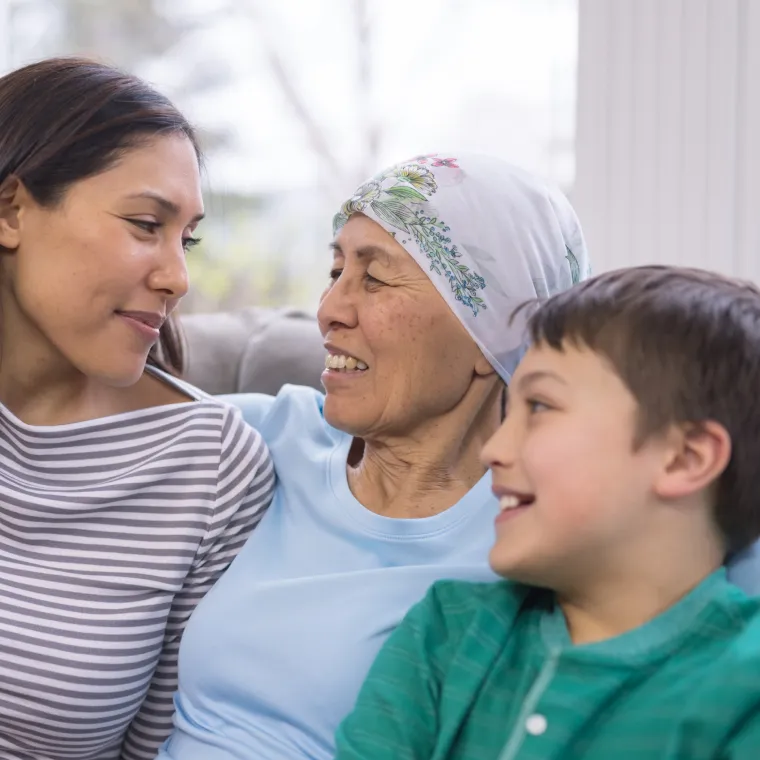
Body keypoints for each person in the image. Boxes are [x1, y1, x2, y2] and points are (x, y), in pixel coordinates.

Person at [158, 153, 590, 760]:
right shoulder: (262, 438)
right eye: (335, 270)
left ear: (487, 334)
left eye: (375, 278)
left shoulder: (532, 543)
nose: (330, 309)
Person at [335, 266, 760, 760]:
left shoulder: (745, 685)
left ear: (686, 458)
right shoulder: (446, 634)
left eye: (539, 407)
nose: (495, 448)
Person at [0, 58, 274, 760]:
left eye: (188, 239)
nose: (178, 277)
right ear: (11, 209)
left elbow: (163, 745)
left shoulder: (210, 466)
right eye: (146, 223)